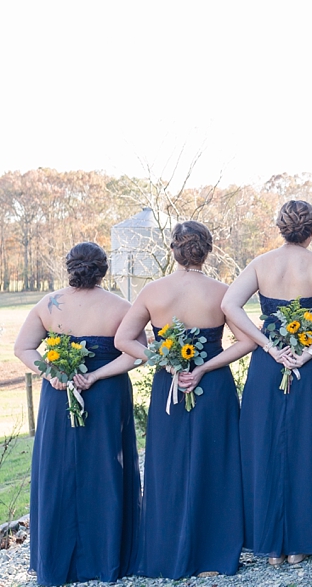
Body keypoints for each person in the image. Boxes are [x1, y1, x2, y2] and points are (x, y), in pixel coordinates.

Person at [115, 221, 253, 579]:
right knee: (217, 464)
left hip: (170, 386)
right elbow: (246, 342)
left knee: (168, 466)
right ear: (207, 251)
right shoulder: (224, 292)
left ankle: (166, 553)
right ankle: (214, 555)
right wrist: (204, 367)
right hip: (214, 386)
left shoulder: (152, 292)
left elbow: (124, 340)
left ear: (174, 251)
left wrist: (166, 362)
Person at [221, 200, 312, 565]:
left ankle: (271, 546)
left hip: (268, 361)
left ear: (280, 227)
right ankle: (302, 543)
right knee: (309, 443)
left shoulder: (260, 264)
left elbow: (231, 304)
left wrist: (267, 344)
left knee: (266, 445)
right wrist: (310, 351)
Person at [14, 242, 140, 586]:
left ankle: (59, 562)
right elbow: (136, 355)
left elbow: (23, 347)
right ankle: (108, 558)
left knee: (59, 471)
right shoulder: (121, 306)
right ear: (103, 269)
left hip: (59, 394)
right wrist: (97, 375)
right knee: (106, 469)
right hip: (106, 394)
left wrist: (51, 373)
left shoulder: (48, 304)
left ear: (69, 267)